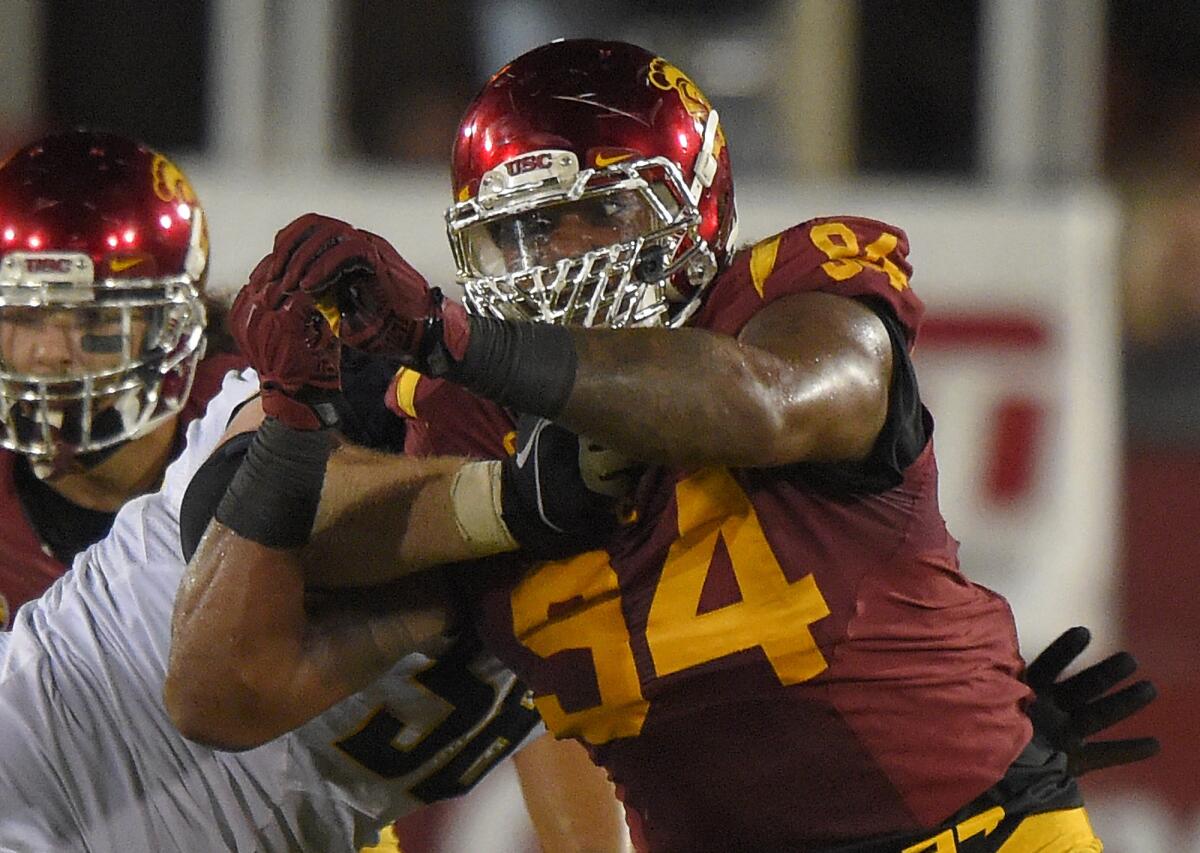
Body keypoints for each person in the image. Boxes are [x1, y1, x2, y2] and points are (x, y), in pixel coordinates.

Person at [168, 40, 1159, 852]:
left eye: (598, 214)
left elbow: (763, 401)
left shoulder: (785, 304)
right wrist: (307, 421)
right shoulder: (469, 429)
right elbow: (236, 679)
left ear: (696, 211)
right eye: (524, 231)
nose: (556, 256)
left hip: (970, 835)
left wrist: (460, 339)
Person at [0, 130, 243, 627]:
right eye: (24, 316)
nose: (49, 354)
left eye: (93, 320)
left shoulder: (248, 434)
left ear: (171, 329)